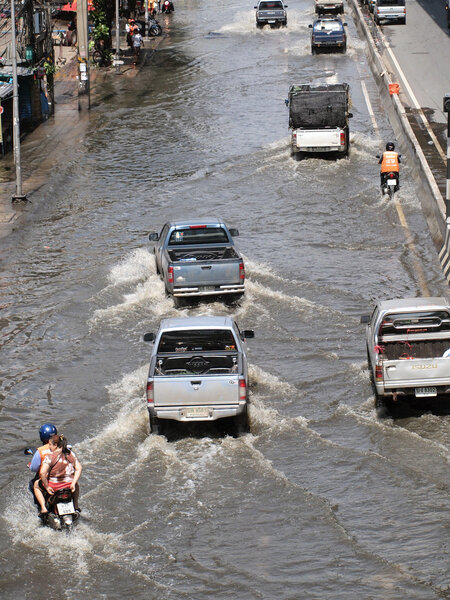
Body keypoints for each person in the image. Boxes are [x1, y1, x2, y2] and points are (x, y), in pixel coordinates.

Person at [34, 434, 82, 519]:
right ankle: (76, 506)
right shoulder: (70, 454)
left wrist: (47, 487)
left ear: (55, 445)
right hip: (69, 486)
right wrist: (73, 483)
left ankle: (43, 508)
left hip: (54, 487)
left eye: (50, 445)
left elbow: (42, 473)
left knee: (36, 485)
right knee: (76, 484)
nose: (49, 447)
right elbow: (79, 468)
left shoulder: (50, 457)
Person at [28, 423, 58, 503]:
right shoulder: (62, 447)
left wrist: (30, 466)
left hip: (48, 480)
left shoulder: (40, 451)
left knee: (33, 484)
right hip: (62, 478)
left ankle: (41, 507)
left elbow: (34, 468)